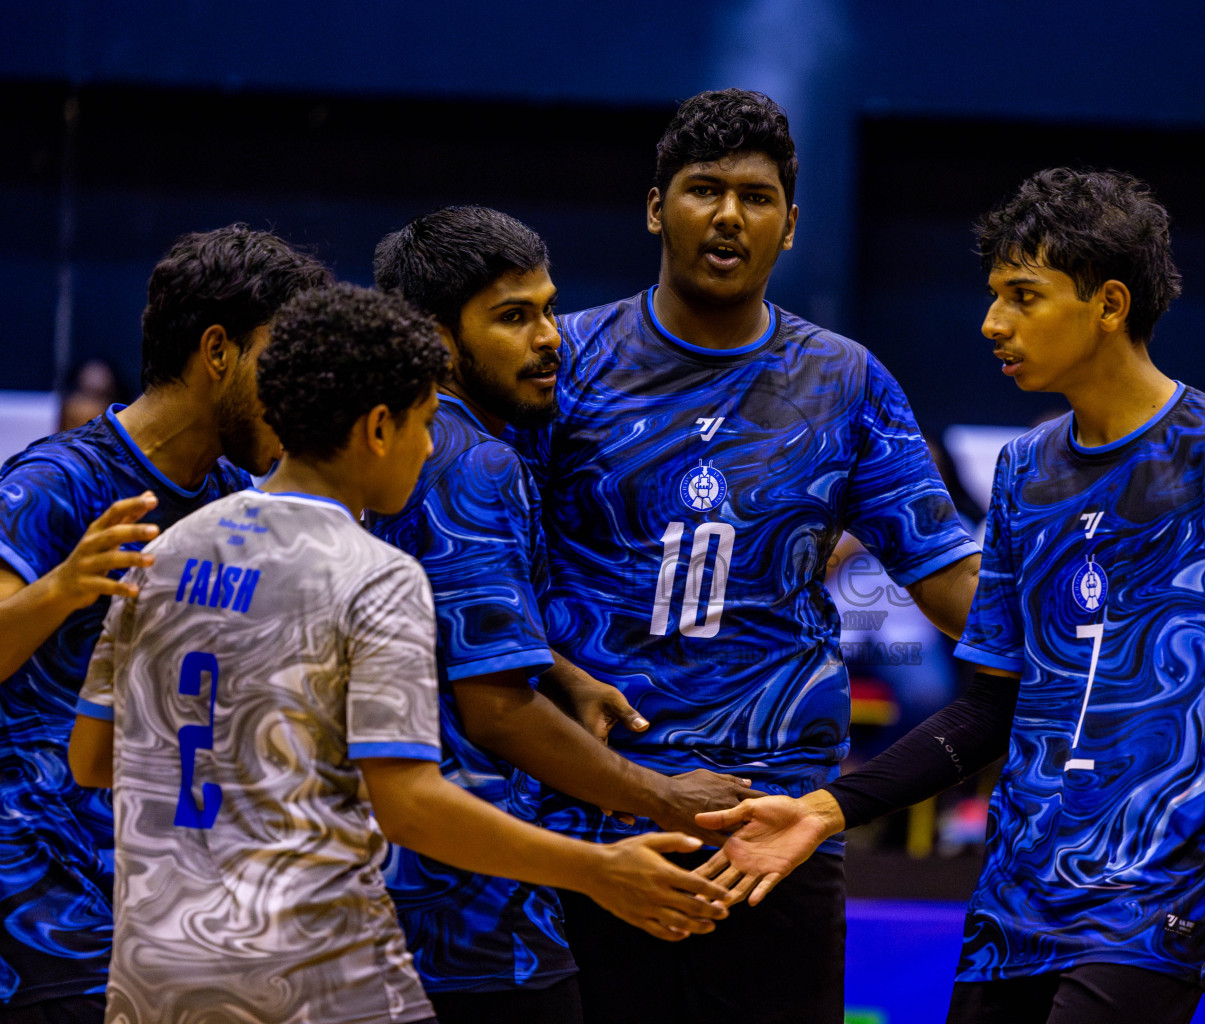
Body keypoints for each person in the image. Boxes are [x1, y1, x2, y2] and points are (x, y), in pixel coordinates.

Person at [697, 168, 1205, 1022]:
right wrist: (824, 809)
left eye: (1022, 295)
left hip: (1163, 884)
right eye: (992, 295)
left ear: (1110, 304)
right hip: (1021, 883)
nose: (991, 322)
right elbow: (987, 712)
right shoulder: (1023, 471)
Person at [67, 283, 730, 1024]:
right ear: (379, 428)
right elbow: (411, 806)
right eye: (422, 424)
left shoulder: (166, 551)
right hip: (316, 976)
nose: (427, 446)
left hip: (155, 970)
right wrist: (597, 868)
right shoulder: (375, 574)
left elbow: (92, 759)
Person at [516, 89, 982, 1023]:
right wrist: (559, 674)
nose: (729, 216)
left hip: (776, 837)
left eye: (757, 197)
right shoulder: (562, 361)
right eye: (703, 190)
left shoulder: (846, 379)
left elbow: (952, 582)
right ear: (657, 208)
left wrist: (1105, 645)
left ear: (792, 225)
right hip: (588, 824)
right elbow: (484, 582)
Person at [370, 206, 758, 1022]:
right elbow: (496, 713)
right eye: (514, 317)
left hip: (377, 906)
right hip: (472, 923)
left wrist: (556, 667)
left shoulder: (384, 448)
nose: (550, 337)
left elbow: (431, 633)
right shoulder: (475, 461)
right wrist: (661, 796)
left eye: (549, 308)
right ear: (435, 337)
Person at [0, 224, 330, 1022]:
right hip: (36, 885)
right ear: (217, 350)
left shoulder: (237, 502)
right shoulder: (55, 482)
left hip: (166, 884)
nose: (293, 391)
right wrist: (65, 586)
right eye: (278, 360)